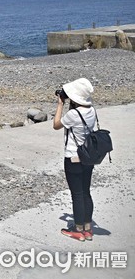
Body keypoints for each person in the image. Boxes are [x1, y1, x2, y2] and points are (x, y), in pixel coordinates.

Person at [53, 78, 97, 241]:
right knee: (86, 192)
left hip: (73, 157)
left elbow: (56, 124)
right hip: (88, 157)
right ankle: (87, 228)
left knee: (77, 194)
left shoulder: (73, 114)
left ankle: (78, 231)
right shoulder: (91, 110)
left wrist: (60, 104)